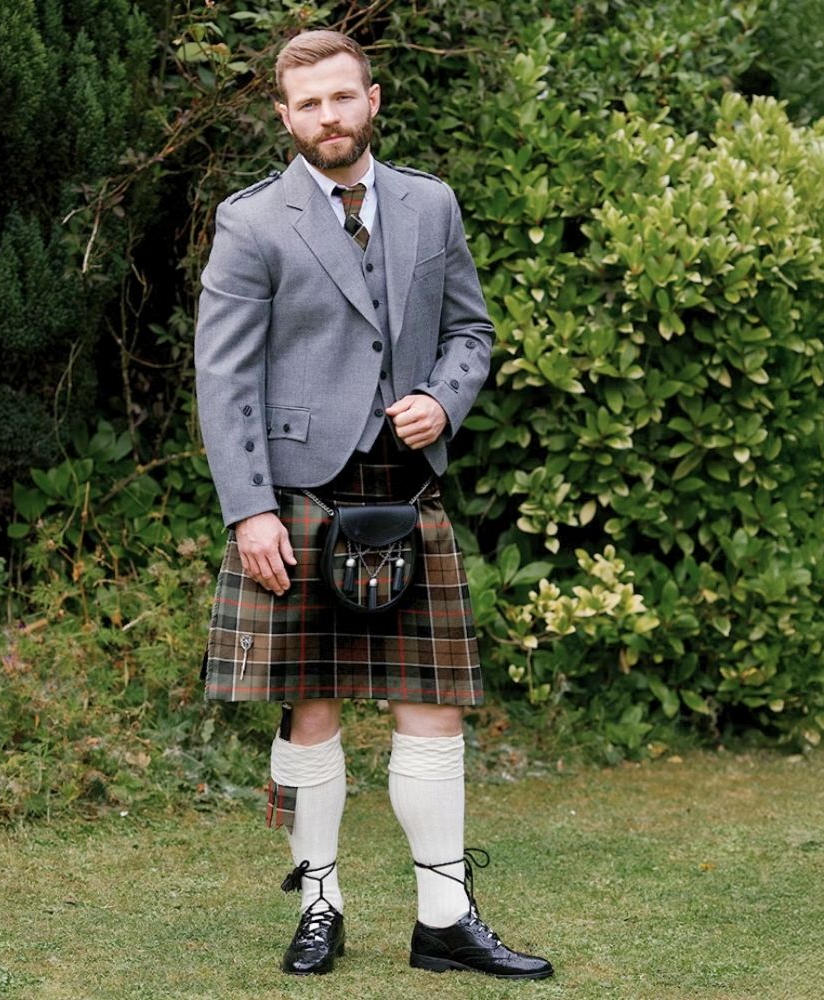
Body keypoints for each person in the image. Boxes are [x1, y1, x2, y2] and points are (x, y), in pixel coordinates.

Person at [194, 28, 553, 981]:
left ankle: (444, 919)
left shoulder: (429, 204)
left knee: (432, 707)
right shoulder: (254, 221)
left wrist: (445, 397)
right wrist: (248, 509)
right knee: (310, 710)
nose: (329, 118)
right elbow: (222, 378)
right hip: (299, 496)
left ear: (373, 99)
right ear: (285, 115)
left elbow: (470, 329)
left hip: (408, 490)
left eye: (343, 98)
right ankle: (320, 904)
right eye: (308, 104)